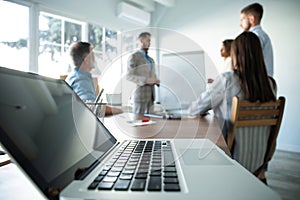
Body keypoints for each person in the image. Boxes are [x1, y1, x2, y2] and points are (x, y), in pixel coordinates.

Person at [188, 31, 276, 184]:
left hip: (231, 160)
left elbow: (195, 109)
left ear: (235, 54)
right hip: (260, 162)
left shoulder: (227, 79)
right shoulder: (271, 84)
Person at [66, 41, 122, 116]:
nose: (95, 58)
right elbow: (91, 107)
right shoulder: (81, 80)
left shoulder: (76, 76)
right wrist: (121, 110)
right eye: (92, 54)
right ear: (86, 60)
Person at [126, 32, 160, 114]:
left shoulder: (151, 60)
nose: (149, 43)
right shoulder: (134, 57)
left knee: (151, 124)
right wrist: (145, 80)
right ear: (141, 40)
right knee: (138, 123)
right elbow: (129, 76)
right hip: (140, 97)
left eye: (150, 41)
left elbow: (152, 75)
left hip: (151, 97)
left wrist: (156, 80)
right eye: (148, 40)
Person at [240, 2, 274, 77]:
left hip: (258, 84)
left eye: (242, 20)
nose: (240, 24)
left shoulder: (254, 36)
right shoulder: (263, 35)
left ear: (252, 19)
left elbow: (249, 63)